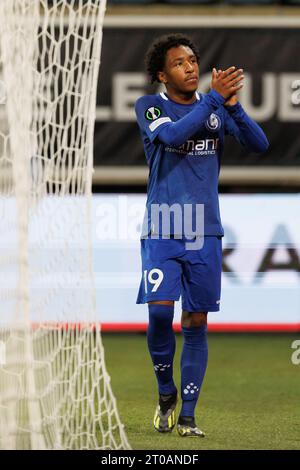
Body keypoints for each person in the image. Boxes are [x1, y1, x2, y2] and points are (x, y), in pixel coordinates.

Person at [135, 34, 269, 437]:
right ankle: (165, 392)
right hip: (163, 225)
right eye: (179, 63)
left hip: (204, 230)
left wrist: (233, 107)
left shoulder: (214, 109)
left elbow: (259, 144)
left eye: (193, 60)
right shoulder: (150, 106)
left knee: (195, 319)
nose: (190, 67)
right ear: (162, 74)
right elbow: (173, 136)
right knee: (160, 313)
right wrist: (214, 100)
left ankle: (189, 417)